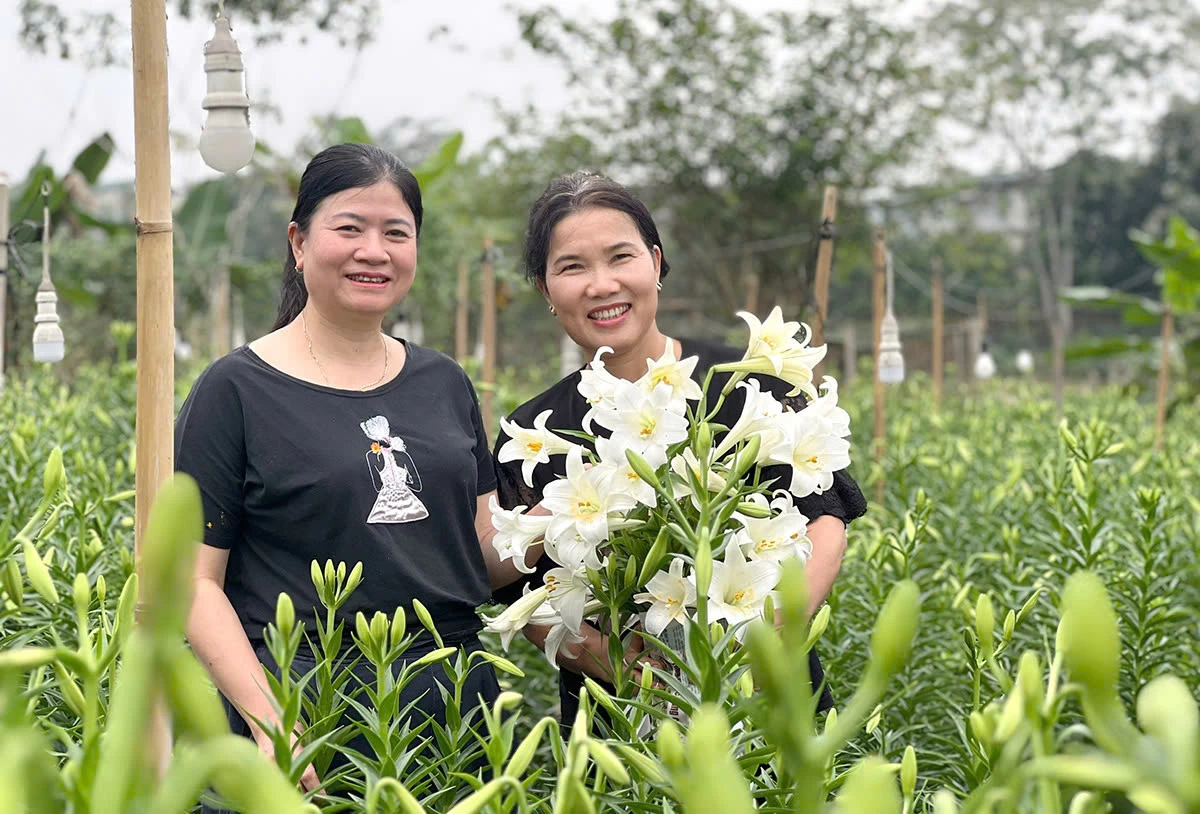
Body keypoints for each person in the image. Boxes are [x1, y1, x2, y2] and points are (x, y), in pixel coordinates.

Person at [176, 143, 539, 810]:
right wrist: (271, 720)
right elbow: (194, 582)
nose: (374, 251)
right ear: (298, 242)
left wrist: (568, 514)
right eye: (349, 228)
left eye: (396, 233)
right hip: (303, 700)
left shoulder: (444, 382)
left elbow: (480, 556)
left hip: (452, 703)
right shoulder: (237, 389)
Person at [492, 171, 867, 726]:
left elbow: (825, 519)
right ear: (547, 292)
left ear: (655, 263)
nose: (602, 284)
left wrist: (768, 637)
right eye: (572, 267)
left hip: (767, 695)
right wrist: (609, 660)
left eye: (620, 257)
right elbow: (526, 591)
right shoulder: (531, 432)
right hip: (620, 717)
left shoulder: (748, 384)